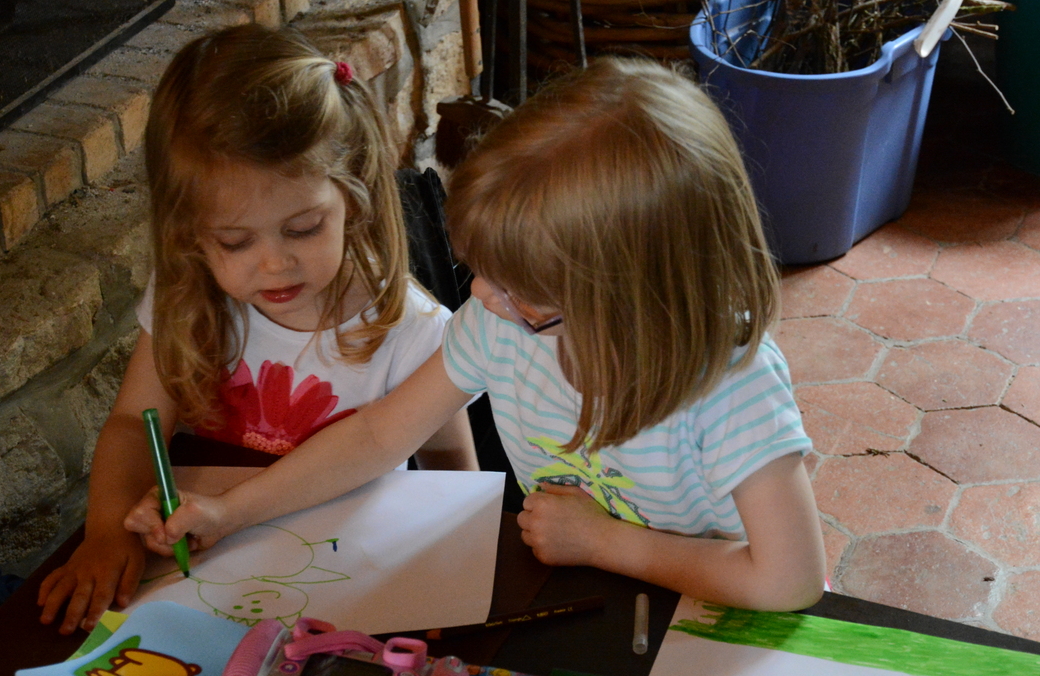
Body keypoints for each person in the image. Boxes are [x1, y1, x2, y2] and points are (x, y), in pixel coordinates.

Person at [127, 57, 825, 612]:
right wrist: (231, 511)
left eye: (521, 289)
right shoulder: (503, 326)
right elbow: (378, 436)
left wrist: (606, 543)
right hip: (584, 591)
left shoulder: (732, 389)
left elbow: (788, 580)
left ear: (634, 295)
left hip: (713, 619)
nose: (483, 296)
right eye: (481, 270)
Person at [38, 25, 478, 633]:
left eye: (302, 229)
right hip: (213, 563)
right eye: (234, 241)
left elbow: (452, 472)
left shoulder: (409, 329)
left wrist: (460, 562)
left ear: (352, 195)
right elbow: (133, 423)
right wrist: (107, 531)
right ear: (190, 234)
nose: (274, 264)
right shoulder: (189, 294)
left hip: (352, 583)